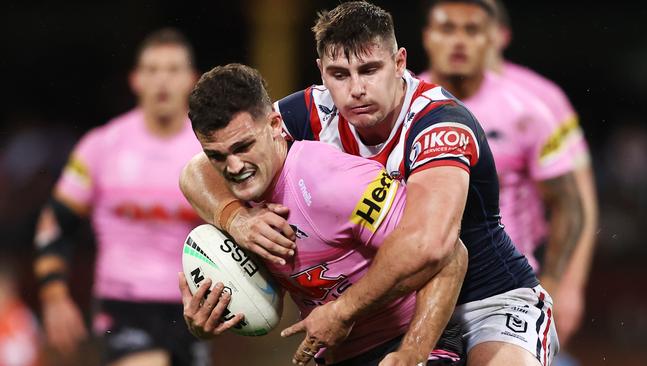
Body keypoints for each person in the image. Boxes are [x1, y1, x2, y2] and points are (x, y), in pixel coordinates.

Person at [179, 2, 557, 365]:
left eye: (370, 70)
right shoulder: (314, 110)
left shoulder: (439, 124)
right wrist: (236, 221)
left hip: (488, 299)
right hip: (398, 305)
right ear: (322, 72)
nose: (356, 89)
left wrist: (351, 315)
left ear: (399, 63)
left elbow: (434, 246)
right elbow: (199, 169)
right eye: (340, 75)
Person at [180, 63, 468, 365]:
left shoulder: (331, 183)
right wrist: (208, 320)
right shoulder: (237, 204)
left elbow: (451, 255)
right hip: (336, 354)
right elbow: (191, 172)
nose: (234, 167)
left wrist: (413, 351)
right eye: (217, 155)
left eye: (244, 147)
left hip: (408, 338)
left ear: (276, 125)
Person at [418, 0, 598, 353]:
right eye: (447, 29)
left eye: (471, 31)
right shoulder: (401, 105)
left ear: (492, 39)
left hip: (506, 289)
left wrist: (558, 283)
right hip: (419, 292)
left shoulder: (530, 109)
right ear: (427, 38)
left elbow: (572, 204)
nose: (459, 42)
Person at [33, 28, 208, 366]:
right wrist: (54, 296)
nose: (162, 81)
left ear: (191, 79)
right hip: (123, 303)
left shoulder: (210, 152)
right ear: (135, 80)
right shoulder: (101, 146)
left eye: (173, 70)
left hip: (193, 307)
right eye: (152, 70)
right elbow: (55, 223)